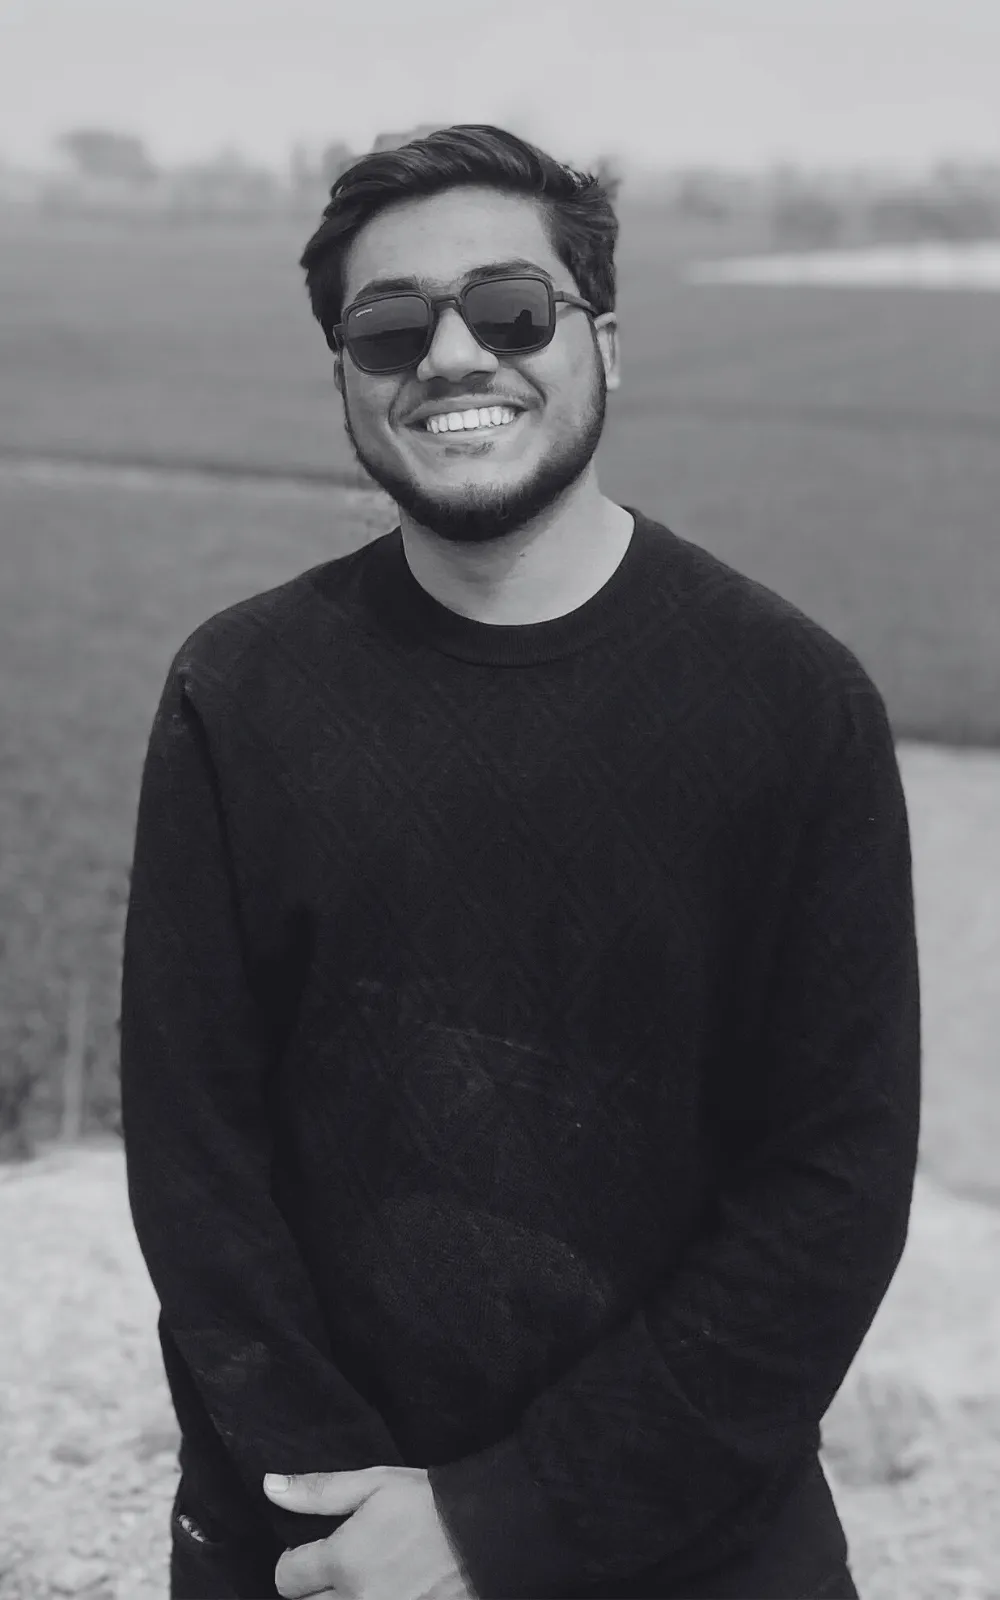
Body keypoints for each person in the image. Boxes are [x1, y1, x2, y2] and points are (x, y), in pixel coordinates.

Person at [119, 123, 920, 1600]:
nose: (450, 357)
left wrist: (503, 1520)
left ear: (603, 341)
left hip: (694, 1540)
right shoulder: (240, 691)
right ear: (346, 378)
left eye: (508, 310)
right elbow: (195, 1157)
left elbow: (833, 1184)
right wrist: (339, 1514)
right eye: (388, 328)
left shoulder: (794, 705)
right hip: (313, 1533)